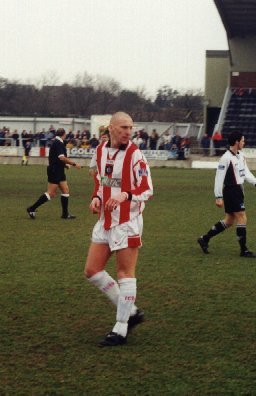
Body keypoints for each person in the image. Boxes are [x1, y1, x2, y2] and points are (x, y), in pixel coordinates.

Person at [84, 111, 153, 347]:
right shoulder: (101, 150)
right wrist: (95, 197)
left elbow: (147, 188)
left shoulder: (136, 155)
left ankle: (121, 327)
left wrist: (126, 195)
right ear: (110, 128)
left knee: (125, 273)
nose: (128, 132)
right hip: (105, 219)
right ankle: (131, 311)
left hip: (127, 221)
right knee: (92, 270)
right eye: (123, 127)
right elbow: (100, 179)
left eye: (131, 128)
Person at [197, 131, 256, 258]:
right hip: (231, 191)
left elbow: (245, 173)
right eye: (242, 140)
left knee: (229, 221)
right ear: (236, 142)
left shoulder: (241, 156)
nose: (244, 143)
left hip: (239, 190)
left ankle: (204, 238)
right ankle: (244, 250)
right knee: (242, 217)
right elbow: (219, 177)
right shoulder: (225, 158)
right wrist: (218, 196)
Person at [26, 128, 81, 219]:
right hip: (55, 171)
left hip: (58, 170)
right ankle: (32, 208)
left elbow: (56, 158)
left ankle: (65, 214)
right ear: (64, 134)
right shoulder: (58, 143)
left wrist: (64, 166)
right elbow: (61, 158)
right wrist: (74, 164)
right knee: (51, 193)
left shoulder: (57, 142)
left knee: (65, 190)